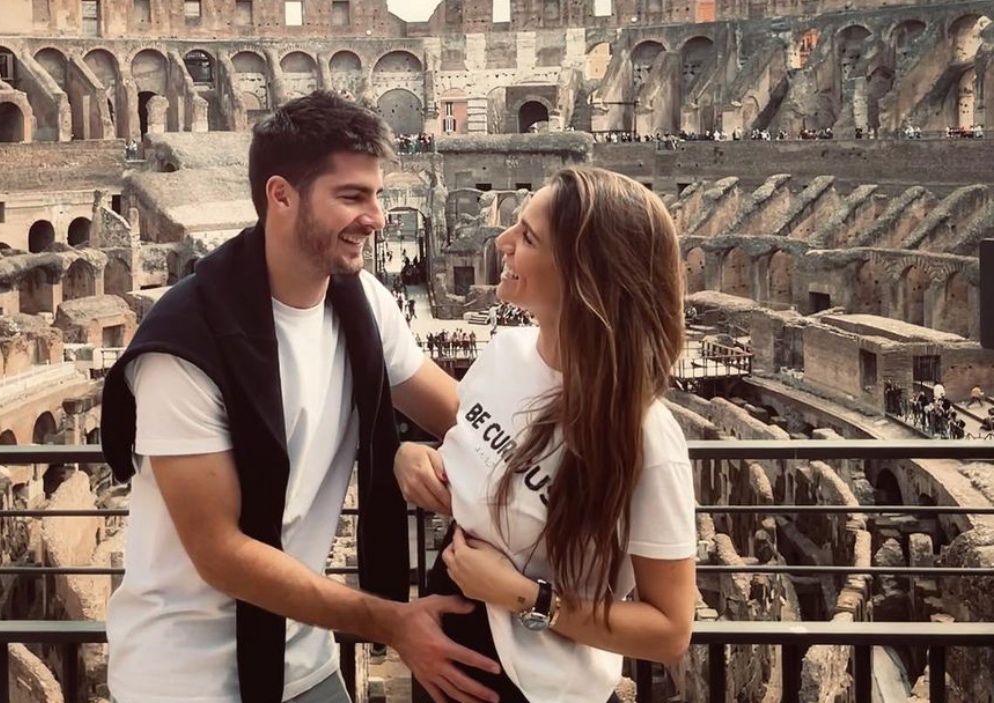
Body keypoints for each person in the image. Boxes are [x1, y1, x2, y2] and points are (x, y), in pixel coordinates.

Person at [99, 91, 501, 703]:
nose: (376, 217)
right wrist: (392, 621)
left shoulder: (364, 303)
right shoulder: (185, 346)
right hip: (183, 676)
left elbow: (465, 417)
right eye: (352, 196)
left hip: (305, 658)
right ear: (281, 196)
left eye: (377, 195)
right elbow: (220, 553)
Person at [394, 167, 697, 702]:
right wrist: (415, 457)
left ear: (584, 274)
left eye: (529, 237)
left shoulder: (647, 436)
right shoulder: (503, 352)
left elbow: (670, 632)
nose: (503, 242)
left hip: (542, 688)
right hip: (445, 656)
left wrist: (524, 596)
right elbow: (486, 460)